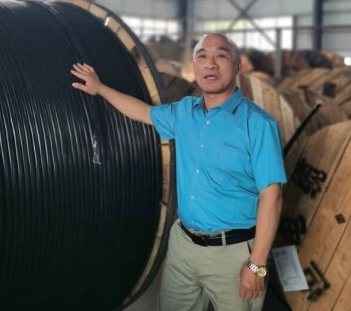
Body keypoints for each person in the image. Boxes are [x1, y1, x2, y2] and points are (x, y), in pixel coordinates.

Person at [71, 33, 286, 311]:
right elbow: (144, 112)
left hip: (233, 254)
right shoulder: (184, 111)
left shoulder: (258, 125)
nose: (210, 63)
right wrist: (100, 89)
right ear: (194, 66)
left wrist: (256, 264)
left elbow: (272, 198)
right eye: (202, 56)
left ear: (238, 66)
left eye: (221, 55)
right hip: (183, 245)